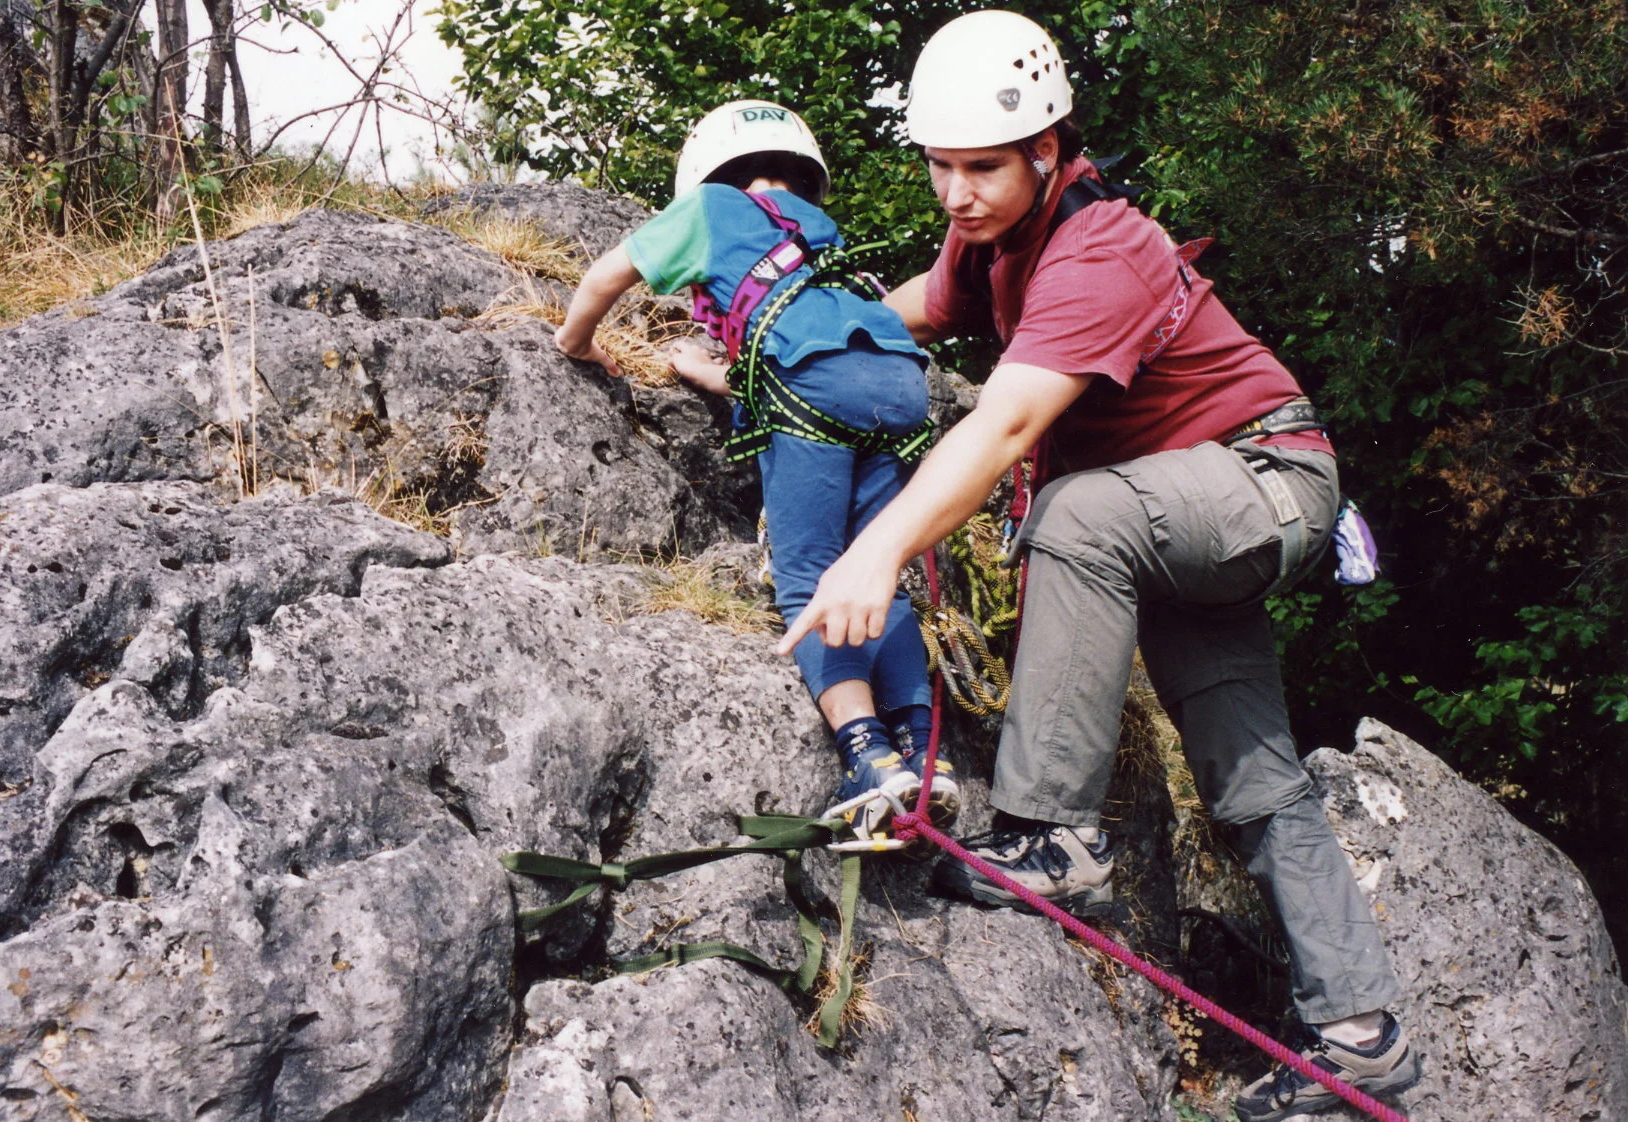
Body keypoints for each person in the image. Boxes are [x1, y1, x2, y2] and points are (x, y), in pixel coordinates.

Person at [776, 12, 1420, 1121]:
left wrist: (875, 550)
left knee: (1072, 511)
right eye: (939, 166)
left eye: (982, 167)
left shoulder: (1100, 246)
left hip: (1260, 480)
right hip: (1172, 512)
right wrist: (782, 348)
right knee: (1251, 777)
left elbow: (1008, 427)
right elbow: (918, 312)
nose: (956, 194)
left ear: (1048, 150)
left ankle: (1053, 833)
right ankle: (1361, 1032)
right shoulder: (992, 241)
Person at [554, 99, 959, 839]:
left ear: (707, 172)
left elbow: (605, 279)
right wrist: (719, 379)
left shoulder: (710, 209)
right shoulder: (813, 227)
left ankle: (867, 754)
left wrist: (576, 341)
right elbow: (800, 329)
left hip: (813, 392)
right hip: (898, 382)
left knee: (810, 576)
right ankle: (925, 754)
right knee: (878, 568)